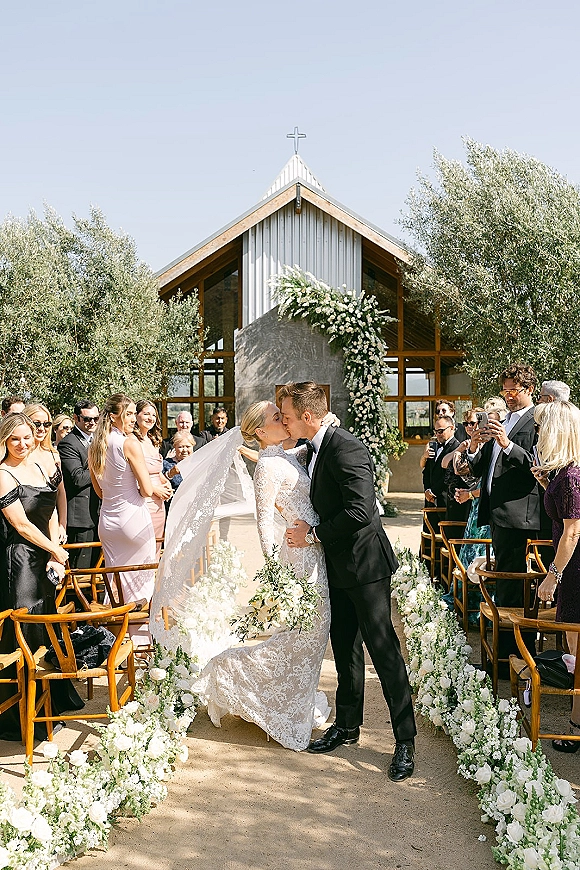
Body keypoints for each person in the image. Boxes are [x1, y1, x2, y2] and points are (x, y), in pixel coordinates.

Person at [281, 381, 416, 782]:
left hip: (365, 566)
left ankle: (405, 742)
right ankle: (348, 726)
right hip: (337, 568)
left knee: (384, 649)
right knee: (344, 648)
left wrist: (314, 533)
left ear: (308, 416)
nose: (285, 422)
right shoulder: (316, 444)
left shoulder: (348, 448)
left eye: (288, 416)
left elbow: (361, 511)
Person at [192, 401, 331, 751]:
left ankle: (291, 702)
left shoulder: (281, 455)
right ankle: (228, 670)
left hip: (313, 552)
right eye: (276, 417)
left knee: (309, 638)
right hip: (297, 559)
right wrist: (276, 572)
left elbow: (305, 452)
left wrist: (326, 426)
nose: (283, 420)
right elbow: (264, 520)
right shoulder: (267, 467)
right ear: (261, 431)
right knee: (304, 636)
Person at [0, 413, 83, 739]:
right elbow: (20, 525)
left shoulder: (40, 464)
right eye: (14, 439)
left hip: (45, 558)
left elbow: (48, 511)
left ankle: (49, 705)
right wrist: (55, 550)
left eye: (26, 437)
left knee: (46, 627)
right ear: (5, 441)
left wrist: (54, 553)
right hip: (19, 563)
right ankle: (19, 716)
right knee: (25, 631)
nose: (22, 444)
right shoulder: (3, 474)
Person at [467, 363, 540, 659]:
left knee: (512, 588)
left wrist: (507, 444)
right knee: (504, 584)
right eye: (505, 390)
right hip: (497, 513)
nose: (509, 396)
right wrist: (475, 445)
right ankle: (505, 653)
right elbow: (482, 462)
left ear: (530, 390)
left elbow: (535, 462)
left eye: (515, 390)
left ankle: (510, 656)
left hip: (518, 515)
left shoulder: (537, 420)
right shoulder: (505, 419)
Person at [88, 394, 156, 646]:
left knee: (116, 583)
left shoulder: (95, 445)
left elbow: (99, 491)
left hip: (108, 522)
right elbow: (147, 490)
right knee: (141, 581)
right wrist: (136, 491)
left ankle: (115, 643)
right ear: (114, 416)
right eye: (128, 414)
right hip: (133, 519)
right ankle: (139, 642)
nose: (132, 420)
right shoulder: (129, 443)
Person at [535, 401, 580, 751]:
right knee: (575, 651)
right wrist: (545, 483)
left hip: (575, 571)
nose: (538, 434)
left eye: (542, 428)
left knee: (577, 649)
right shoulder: (564, 473)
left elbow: (572, 532)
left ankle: (577, 726)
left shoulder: (571, 477)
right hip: (572, 570)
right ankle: (577, 723)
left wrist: (553, 576)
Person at [57, 400, 101, 569]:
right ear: (76, 418)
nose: (92, 423)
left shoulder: (96, 440)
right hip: (80, 519)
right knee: (79, 572)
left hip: (98, 514)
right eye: (87, 419)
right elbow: (77, 478)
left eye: (96, 419)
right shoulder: (69, 443)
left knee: (96, 570)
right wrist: (100, 465)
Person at [131, 400, 172, 556]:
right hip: (143, 499)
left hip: (159, 504)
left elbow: (156, 472)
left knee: (156, 544)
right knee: (142, 547)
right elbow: (131, 475)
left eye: (154, 415)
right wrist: (155, 489)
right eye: (146, 414)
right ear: (136, 415)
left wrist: (165, 483)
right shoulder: (132, 441)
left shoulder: (152, 440)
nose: (151, 418)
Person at [24, 403, 67, 545]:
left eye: (47, 424)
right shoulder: (19, 455)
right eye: (37, 424)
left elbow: (61, 492)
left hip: (53, 527)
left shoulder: (54, 454)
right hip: (28, 527)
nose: (42, 428)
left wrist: (62, 524)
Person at [162, 431, 196, 496]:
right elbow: (159, 483)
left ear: (193, 446)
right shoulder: (166, 464)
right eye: (181, 447)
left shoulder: (197, 463)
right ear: (175, 447)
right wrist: (170, 474)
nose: (184, 450)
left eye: (188, 446)